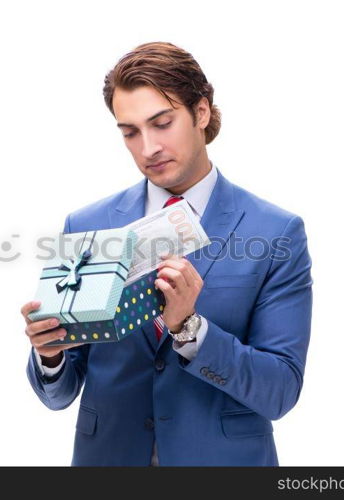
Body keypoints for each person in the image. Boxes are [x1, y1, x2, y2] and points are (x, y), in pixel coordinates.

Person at [21, 41, 313, 466]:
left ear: (201, 112)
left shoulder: (275, 233)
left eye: (162, 123)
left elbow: (280, 391)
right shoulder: (88, 224)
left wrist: (190, 329)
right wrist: (50, 355)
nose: (148, 148)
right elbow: (59, 395)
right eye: (130, 132)